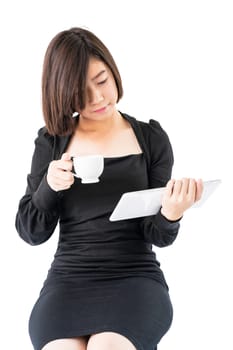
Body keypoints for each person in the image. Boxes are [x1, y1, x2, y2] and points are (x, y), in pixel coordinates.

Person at [15, 27, 203, 350]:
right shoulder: (52, 142)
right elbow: (30, 231)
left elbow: (155, 233)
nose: (97, 97)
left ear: (113, 71)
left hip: (135, 278)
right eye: (80, 91)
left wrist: (170, 213)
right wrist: (49, 186)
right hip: (68, 281)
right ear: (63, 94)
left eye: (101, 81)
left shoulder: (151, 140)